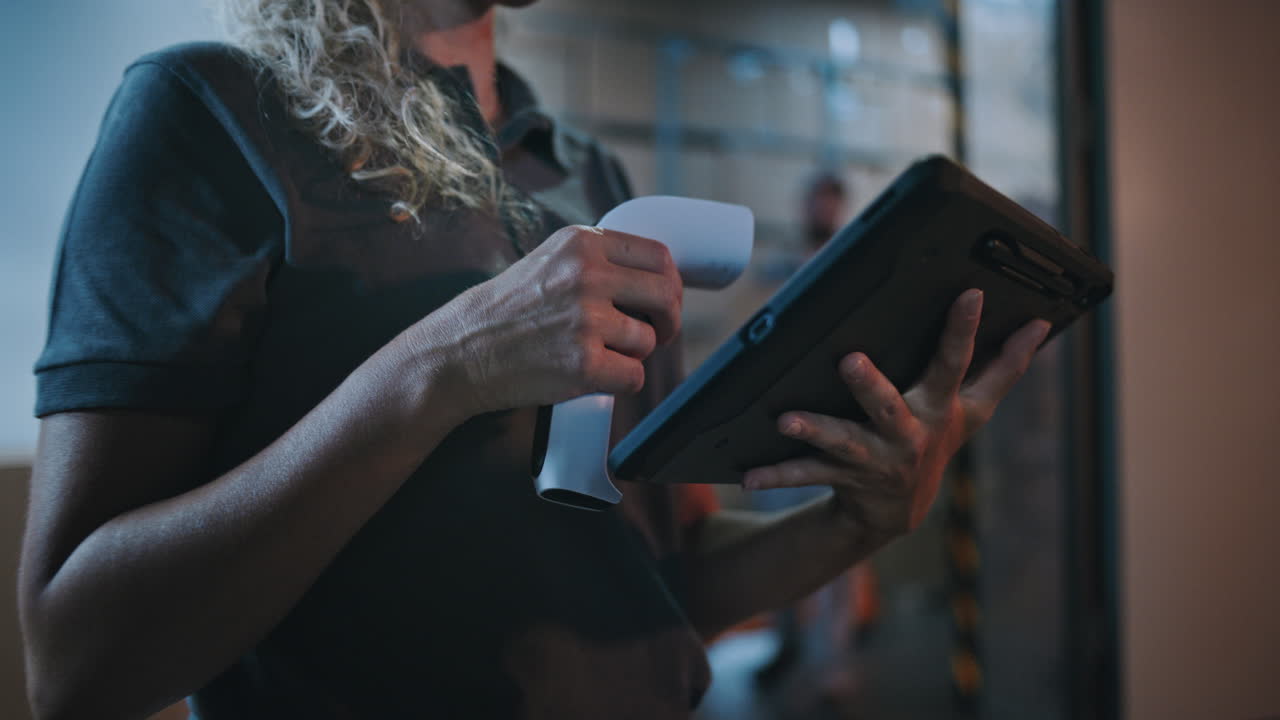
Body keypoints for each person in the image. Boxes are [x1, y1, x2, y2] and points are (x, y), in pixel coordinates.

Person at [16, 1, 1051, 718]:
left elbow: (662, 583)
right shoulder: (206, 114)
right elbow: (77, 661)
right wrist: (439, 370)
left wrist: (856, 523)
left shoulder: (587, 173)